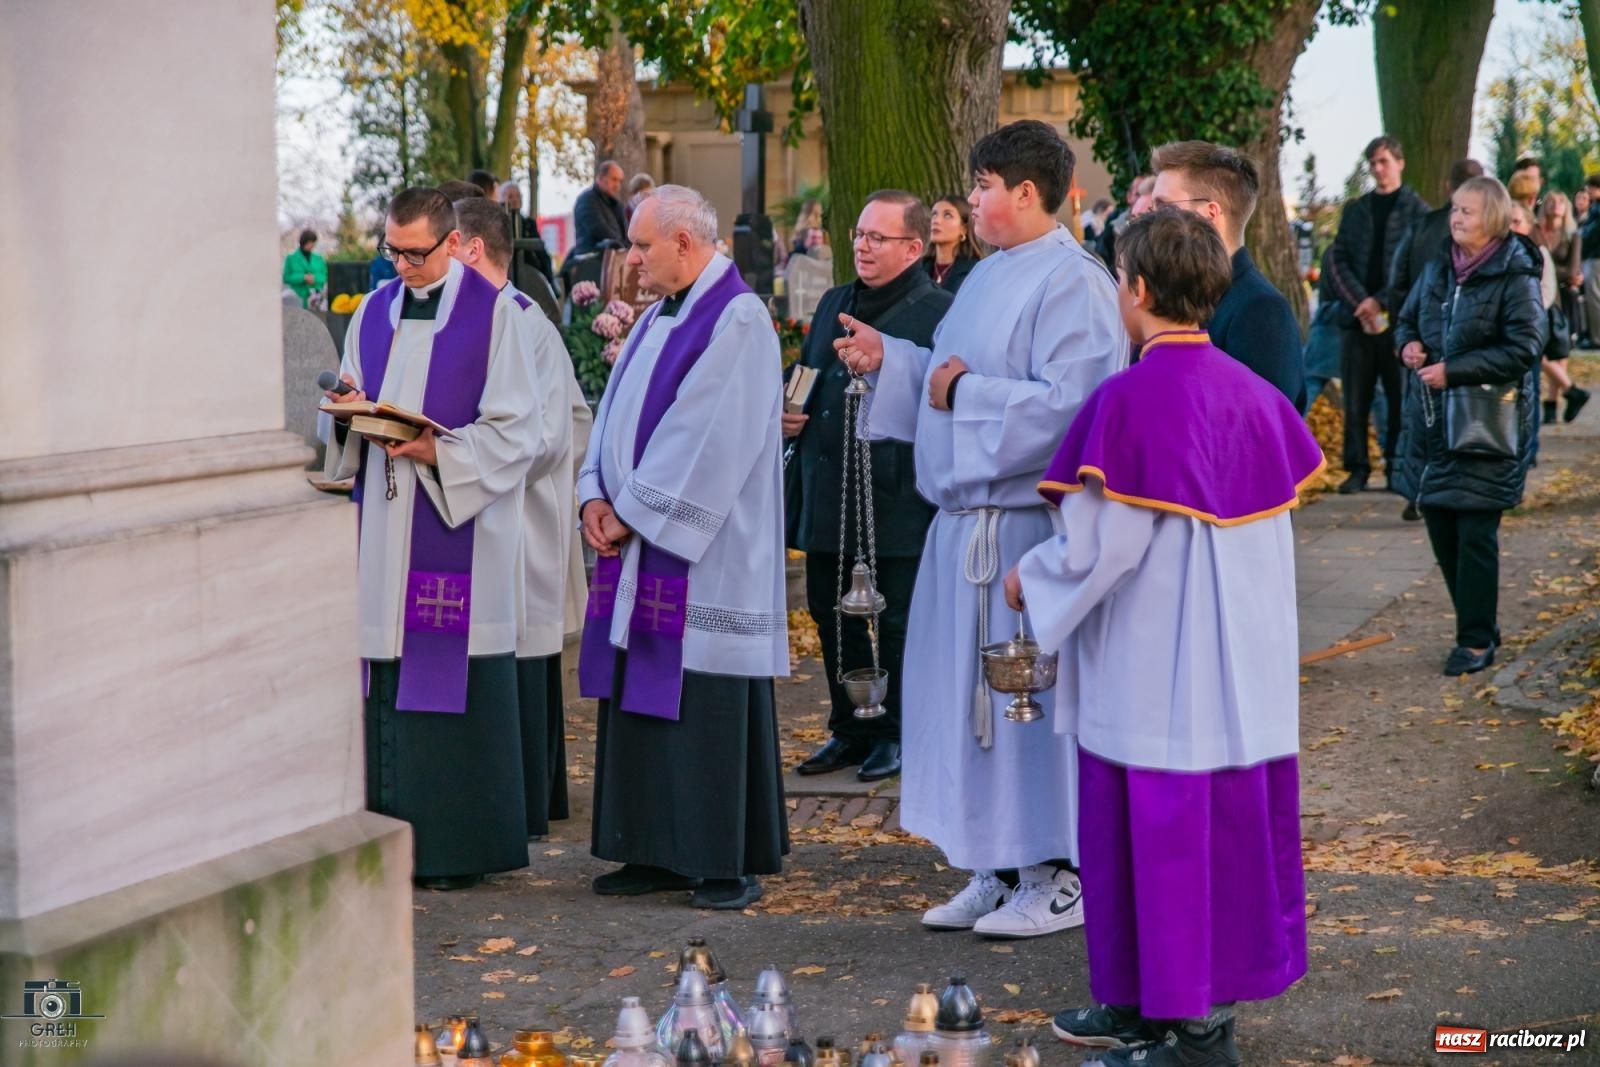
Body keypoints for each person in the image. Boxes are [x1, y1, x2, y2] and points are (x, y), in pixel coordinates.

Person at [1011, 208, 1318, 1067]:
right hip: (1238, 674)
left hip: (1152, 666)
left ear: (1138, 289)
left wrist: (1027, 579)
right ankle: (1149, 1005)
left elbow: (1104, 547)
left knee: (1159, 839)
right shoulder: (1256, 398)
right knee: (1201, 843)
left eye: (1118, 279)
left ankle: (1189, 1032)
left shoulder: (1128, 400)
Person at [840, 119, 1127, 939]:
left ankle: (1059, 869)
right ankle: (996, 865)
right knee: (960, 703)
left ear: (1025, 192)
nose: (967, 201)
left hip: (1024, 531)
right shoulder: (987, 275)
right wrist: (890, 360)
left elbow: (1071, 410)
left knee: (1025, 702)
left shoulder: (1073, 282)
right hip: (961, 529)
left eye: (981, 187)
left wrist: (962, 395)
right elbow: (941, 377)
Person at [320, 186, 557, 888]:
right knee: (385, 679)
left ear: (454, 243)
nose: (401, 265)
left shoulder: (499, 318)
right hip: (383, 531)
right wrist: (344, 415)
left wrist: (441, 453)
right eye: (391, 250)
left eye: (415, 252)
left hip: (457, 532)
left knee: (449, 677)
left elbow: (521, 430)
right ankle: (388, 837)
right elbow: (354, 398)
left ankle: (455, 848)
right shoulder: (372, 311)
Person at [577, 185, 789, 910]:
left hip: (706, 555)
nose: (629, 259)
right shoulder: (654, 319)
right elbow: (611, 418)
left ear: (685, 245)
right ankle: (654, 849)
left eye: (640, 246)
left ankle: (721, 855)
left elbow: (707, 437)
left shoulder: (738, 318)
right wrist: (593, 495)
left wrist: (634, 511)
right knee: (642, 687)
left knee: (703, 699)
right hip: (639, 537)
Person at [787, 191, 954, 784]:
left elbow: (940, 402)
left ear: (913, 247)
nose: (862, 245)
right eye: (859, 234)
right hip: (828, 483)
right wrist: (789, 406)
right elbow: (808, 371)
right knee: (831, 612)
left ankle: (894, 731)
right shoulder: (836, 299)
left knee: (893, 619)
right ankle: (847, 726)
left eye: (877, 238)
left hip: (894, 496)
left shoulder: (937, 311)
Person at [451, 195, 588, 841]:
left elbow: (553, 435)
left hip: (519, 518)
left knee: (520, 657)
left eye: (441, 245)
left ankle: (526, 802)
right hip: (480, 511)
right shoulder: (478, 318)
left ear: (471, 248)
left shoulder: (521, 321)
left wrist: (459, 462)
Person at [1394, 176, 1544, 677]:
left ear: (1495, 219)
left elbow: (1525, 348)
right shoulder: (1438, 266)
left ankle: (1476, 640)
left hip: (1486, 424)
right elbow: (1407, 319)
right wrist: (1408, 346)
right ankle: (1479, 621)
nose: (1456, 218)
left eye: (1468, 212)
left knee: (1475, 533)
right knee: (1440, 524)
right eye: (1455, 209)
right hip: (1433, 425)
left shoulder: (1515, 274)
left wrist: (1454, 370)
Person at [1150, 140, 1305, 409]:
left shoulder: (1261, 310)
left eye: (1163, 208)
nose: (1150, 221)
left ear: (1210, 214)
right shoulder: (1174, 295)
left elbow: (1265, 431)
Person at [1324, 135, 1430, 494]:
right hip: (1356, 319)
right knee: (1356, 399)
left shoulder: (1417, 211)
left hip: (1396, 322)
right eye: (1373, 163)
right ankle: (1357, 468)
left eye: (1384, 161)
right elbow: (1337, 259)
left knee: (1399, 398)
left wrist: (1381, 301)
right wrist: (1361, 302)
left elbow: (1417, 267)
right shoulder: (1357, 210)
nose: (1378, 169)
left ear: (1399, 162)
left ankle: (1397, 468)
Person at [1389, 159, 1486, 521]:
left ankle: (1417, 492)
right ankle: (1442, 492)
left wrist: (1407, 336)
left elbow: (1398, 282)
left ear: (1449, 186)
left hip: (1427, 345)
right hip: (1455, 346)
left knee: (1419, 421)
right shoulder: (1436, 232)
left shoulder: (1423, 226)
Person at [1537, 192, 1590, 423]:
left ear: (1566, 207)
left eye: (1560, 201)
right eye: (1551, 201)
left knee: (1560, 352)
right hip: (1541, 296)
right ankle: (1571, 391)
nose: (1555, 205)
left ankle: (1552, 404)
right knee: (1538, 351)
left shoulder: (1573, 235)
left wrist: (1546, 271)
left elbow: (1572, 270)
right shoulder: (1536, 231)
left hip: (1564, 298)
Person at [924, 195, 984, 294]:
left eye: (947, 215)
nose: (936, 220)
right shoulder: (918, 269)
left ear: (963, 229)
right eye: (934, 214)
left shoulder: (976, 271)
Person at [572, 161, 629, 256]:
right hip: (592, 261)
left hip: (614, 258)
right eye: (614, 179)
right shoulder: (587, 200)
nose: (617, 185)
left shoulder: (617, 205)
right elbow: (600, 230)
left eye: (620, 181)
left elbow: (626, 234)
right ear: (600, 178)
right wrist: (622, 246)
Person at [283, 228, 327, 309]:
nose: (312, 245)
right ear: (304, 242)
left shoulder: (319, 259)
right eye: (310, 242)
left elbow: (325, 276)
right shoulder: (291, 258)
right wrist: (303, 277)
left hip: (316, 299)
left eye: (313, 242)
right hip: (297, 297)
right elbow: (286, 277)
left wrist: (315, 278)